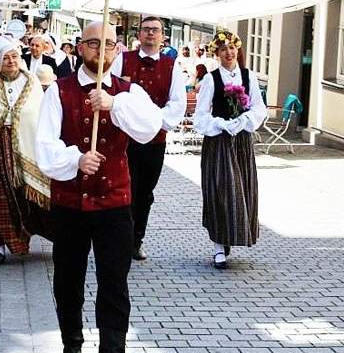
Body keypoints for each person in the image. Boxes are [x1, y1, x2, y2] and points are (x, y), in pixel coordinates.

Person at [37, 21, 161, 353]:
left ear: (117, 49)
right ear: (79, 47)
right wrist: (75, 160)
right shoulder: (60, 91)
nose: (101, 51)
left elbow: (149, 128)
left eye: (108, 45)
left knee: (113, 284)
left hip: (115, 202)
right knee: (69, 278)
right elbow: (44, 146)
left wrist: (114, 104)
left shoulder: (128, 90)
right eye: (93, 44)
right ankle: (72, 342)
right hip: (71, 203)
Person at [0, 36, 51, 266]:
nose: (11, 61)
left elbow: (39, 116)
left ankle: (32, 237)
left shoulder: (32, 83)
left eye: (14, 56)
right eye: (5, 58)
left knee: (27, 199)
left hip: (26, 148)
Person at [110, 16, 186, 261]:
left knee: (145, 192)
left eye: (155, 30)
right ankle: (118, 239)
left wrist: (152, 123)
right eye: (146, 30)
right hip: (123, 139)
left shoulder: (172, 65)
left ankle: (136, 240)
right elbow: (111, 91)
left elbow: (177, 103)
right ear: (138, 35)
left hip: (154, 140)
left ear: (163, 36)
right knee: (121, 188)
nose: (150, 34)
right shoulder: (122, 60)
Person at [193, 31, 267, 269]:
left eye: (232, 48)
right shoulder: (211, 79)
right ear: (217, 53)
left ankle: (232, 237)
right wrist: (220, 124)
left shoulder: (248, 76)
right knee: (221, 192)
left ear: (238, 50)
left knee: (242, 190)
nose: (228, 53)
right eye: (223, 49)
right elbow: (200, 115)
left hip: (242, 142)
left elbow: (259, 108)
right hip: (219, 142)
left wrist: (244, 121)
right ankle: (218, 247)